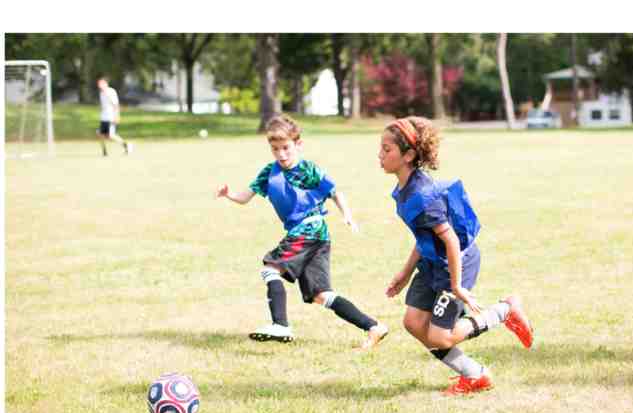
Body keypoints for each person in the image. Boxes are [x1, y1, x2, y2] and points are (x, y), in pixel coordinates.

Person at [379, 116, 533, 396]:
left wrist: (457, 286)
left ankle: (504, 311)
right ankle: (475, 375)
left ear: (408, 155)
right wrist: (405, 272)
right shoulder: (404, 190)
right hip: (431, 263)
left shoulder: (422, 196)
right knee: (413, 323)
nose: (380, 154)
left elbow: (449, 239)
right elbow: (425, 237)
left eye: (387, 149)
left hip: (455, 264)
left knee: (440, 336)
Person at [216, 114, 388, 348]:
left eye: (286, 147)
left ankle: (280, 325)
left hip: (310, 230)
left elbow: (335, 192)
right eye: (275, 149)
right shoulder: (269, 173)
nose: (281, 154)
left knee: (270, 269)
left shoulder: (308, 169)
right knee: (321, 295)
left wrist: (347, 215)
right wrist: (229, 194)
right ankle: (374, 326)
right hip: (315, 237)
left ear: (298, 144)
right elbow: (245, 197)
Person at [96, 77, 132, 156]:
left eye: (101, 83)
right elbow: (103, 105)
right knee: (100, 134)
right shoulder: (101, 93)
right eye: (99, 84)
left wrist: (117, 116)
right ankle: (104, 151)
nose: (100, 85)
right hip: (103, 117)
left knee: (111, 135)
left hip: (111, 117)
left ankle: (126, 145)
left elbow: (115, 105)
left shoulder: (111, 92)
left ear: (106, 84)